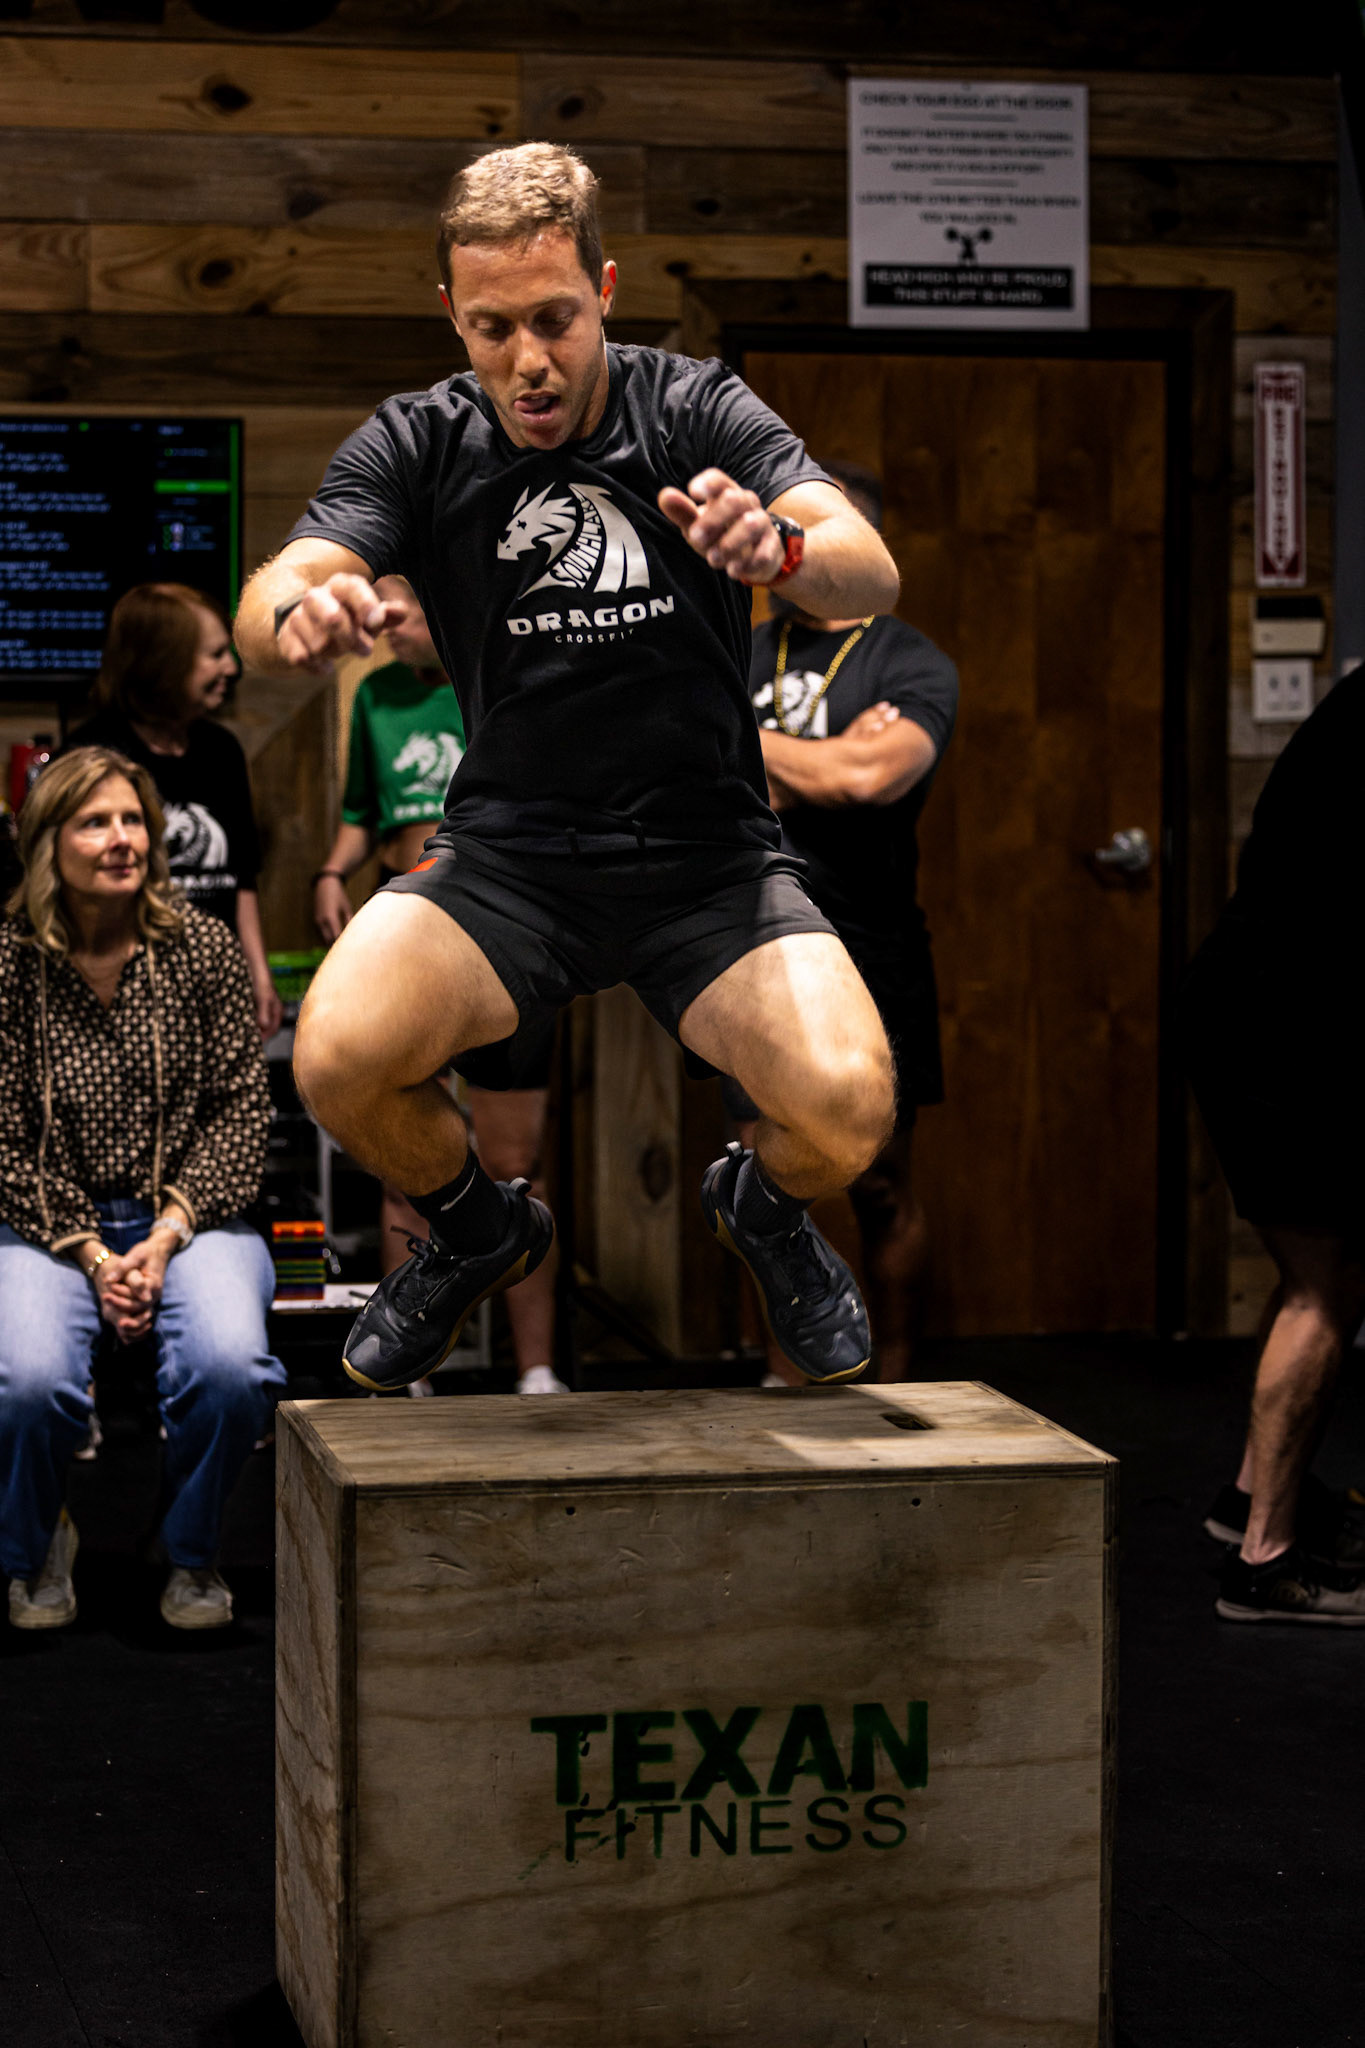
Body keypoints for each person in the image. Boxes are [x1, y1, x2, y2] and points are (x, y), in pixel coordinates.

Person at [233, 142, 900, 1396]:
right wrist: (299, 611)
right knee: (336, 1054)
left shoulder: (691, 407)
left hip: (706, 861)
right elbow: (282, 582)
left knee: (851, 1105)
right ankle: (476, 1227)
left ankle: (761, 1208)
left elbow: (869, 564)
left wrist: (780, 545)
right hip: (513, 863)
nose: (527, 360)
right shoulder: (421, 439)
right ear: (452, 312)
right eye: (493, 328)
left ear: (603, 290)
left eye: (554, 319)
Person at [0, 747, 286, 1631]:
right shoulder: (9, 961)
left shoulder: (202, 947)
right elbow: (3, 1136)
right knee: (26, 1381)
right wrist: (94, 1256)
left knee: (232, 1369)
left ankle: (186, 1547)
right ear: (48, 842)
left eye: (133, 820)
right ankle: (35, 1541)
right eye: (95, 822)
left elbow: (242, 1109)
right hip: (45, 1223)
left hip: (190, 1217)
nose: (122, 839)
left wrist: (161, 1239)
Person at [727, 461, 958, 1383]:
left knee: (880, 1185)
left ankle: (891, 1384)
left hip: (873, 947)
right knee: (762, 1191)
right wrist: (816, 764)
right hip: (751, 952)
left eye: (808, 539)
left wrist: (754, 753)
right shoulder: (738, 650)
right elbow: (689, 773)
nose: (788, 555)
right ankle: (785, 1385)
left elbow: (869, 779)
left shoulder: (909, 661)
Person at [314, 577, 565, 1394]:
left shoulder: (505, 676)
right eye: (377, 604)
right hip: (403, 932)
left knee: (515, 1161)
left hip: (505, 934)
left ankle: (535, 1370)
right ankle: (411, 1371)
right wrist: (331, 871)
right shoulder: (376, 694)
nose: (384, 619)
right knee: (406, 1156)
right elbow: (365, 812)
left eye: (402, 605)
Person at [1183, 667, 1365, 1624]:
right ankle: (1265, 1561)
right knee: (1321, 1287)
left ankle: (1248, 1498)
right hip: (1286, 1015)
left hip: (1259, 999)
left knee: (1320, 1269)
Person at [65, 582, 282, 1039]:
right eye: (215, 654)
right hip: (125, 997)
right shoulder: (92, 755)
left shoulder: (222, 750)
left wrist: (257, 973)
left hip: (215, 986)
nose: (231, 668)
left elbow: (242, 877)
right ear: (165, 662)